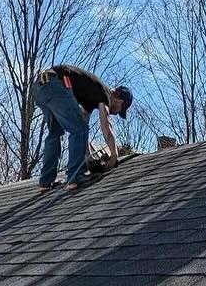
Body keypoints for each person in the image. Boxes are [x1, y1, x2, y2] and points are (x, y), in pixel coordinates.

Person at [31, 64, 133, 192]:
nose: (116, 113)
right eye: (119, 111)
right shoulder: (105, 95)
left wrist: (88, 158)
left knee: (55, 133)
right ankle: (75, 176)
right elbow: (106, 128)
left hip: (40, 86)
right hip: (55, 84)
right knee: (79, 130)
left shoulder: (91, 96)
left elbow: (82, 124)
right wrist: (114, 156)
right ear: (121, 101)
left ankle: (45, 181)